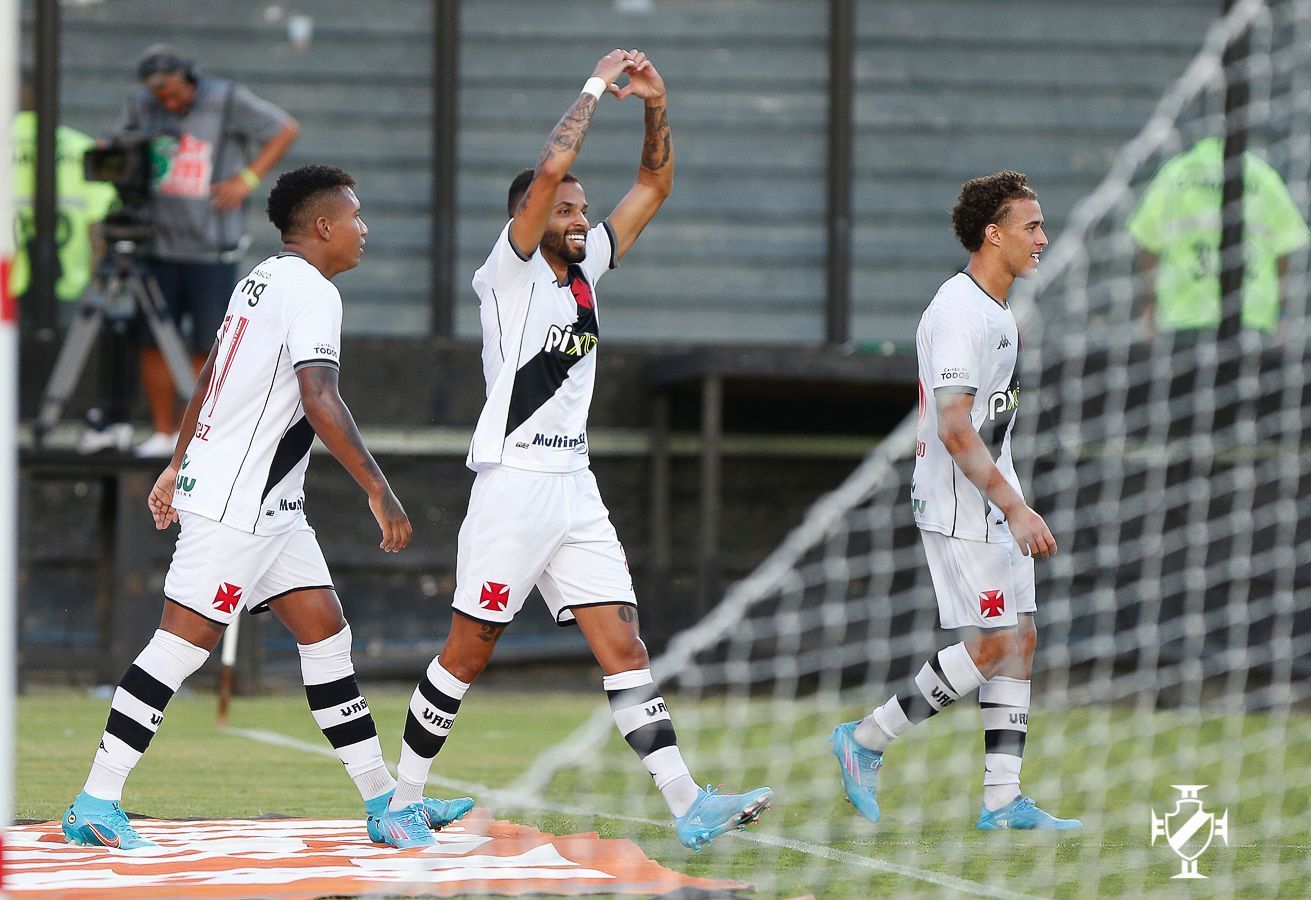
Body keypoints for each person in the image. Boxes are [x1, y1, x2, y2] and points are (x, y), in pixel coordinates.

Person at [375, 50, 772, 851]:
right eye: (562, 207)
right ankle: (398, 802)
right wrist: (595, 86)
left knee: (623, 645)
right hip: (514, 485)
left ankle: (689, 802)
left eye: (581, 207)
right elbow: (555, 160)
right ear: (528, 213)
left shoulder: (586, 265)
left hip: (574, 487)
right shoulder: (509, 267)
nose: (578, 215)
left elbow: (654, 187)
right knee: (469, 650)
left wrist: (655, 105)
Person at [61, 165, 472, 850]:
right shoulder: (312, 292)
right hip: (236, 506)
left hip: (269, 506)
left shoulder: (259, 278)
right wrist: (378, 488)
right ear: (321, 227)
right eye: (355, 217)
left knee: (325, 631)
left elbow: (211, 378)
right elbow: (320, 398)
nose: (363, 229)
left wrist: (174, 462)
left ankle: (384, 802)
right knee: (178, 647)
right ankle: (94, 801)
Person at [831, 172, 1081, 831]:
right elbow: (953, 426)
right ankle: (865, 739)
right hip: (956, 500)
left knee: (1019, 639)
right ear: (991, 235)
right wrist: (1014, 506)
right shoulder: (957, 312)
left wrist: (1011, 499)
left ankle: (1001, 801)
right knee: (996, 643)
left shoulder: (997, 309)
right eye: (1030, 227)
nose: (1041, 239)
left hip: (994, 493)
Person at [118, 44, 300, 456]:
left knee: (209, 340)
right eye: (159, 94)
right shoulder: (143, 107)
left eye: (173, 92)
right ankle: (164, 430)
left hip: (211, 246)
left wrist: (248, 178)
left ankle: (200, 434)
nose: (168, 101)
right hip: (158, 243)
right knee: (153, 341)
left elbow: (284, 128)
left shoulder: (225, 99)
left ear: (189, 78)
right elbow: (119, 144)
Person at [9, 72, 124, 452]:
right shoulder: (78, 147)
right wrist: (98, 271)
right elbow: (98, 221)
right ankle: (65, 416)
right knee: (67, 355)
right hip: (71, 274)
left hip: (9, 273)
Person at [1129, 136, 1310, 340]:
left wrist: (1154, 302)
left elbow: (1147, 249)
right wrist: (1280, 312)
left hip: (1183, 320)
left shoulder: (1175, 173)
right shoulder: (1263, 175)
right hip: (1251, 319)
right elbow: (1286, 251)